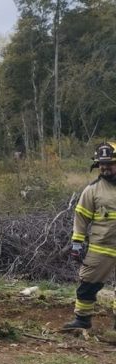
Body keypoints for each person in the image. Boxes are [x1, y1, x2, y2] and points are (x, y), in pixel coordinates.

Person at [62, 142, 116, 331]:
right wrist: (77, 243)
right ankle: (82, 320)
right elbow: (81, 218)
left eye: (110, 163)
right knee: (87, 284)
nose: (105, 167)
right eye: (102, 164)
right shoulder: (92, 190)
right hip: (102, 246)